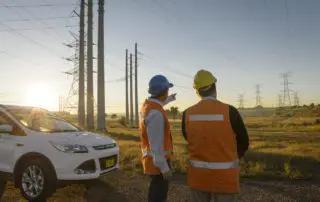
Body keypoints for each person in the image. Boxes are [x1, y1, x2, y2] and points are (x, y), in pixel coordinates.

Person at [181, 69, 249, 202]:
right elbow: (244, 142)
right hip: (225, 177)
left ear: (197, 91)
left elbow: (188, 138)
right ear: (214, 86)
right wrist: (232, 156)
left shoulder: (187, 114)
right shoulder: (230, 111)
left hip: (198, 177)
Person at [139, 75, 176, 202]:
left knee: (155, 194)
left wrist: (170, 99)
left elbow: (159, 102)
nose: (168, 92)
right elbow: (156, 146)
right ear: (163, 91)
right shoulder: (156, 114)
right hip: (158, 164)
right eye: (167, 91)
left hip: (152, 162)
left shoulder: (148, 105)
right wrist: (164, 168)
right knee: (158, 197)